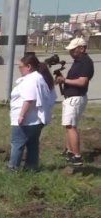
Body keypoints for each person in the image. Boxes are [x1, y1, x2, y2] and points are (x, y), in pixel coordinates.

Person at [7, 54, 56, 171]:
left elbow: (29, 98)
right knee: (32, 144)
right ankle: (31, 167)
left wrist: (21, 115)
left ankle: (12, 168)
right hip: (35, 120)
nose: (19, 70)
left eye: (20, 67)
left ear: (28, 66)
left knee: (17, 144)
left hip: (27, 119)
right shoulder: (38, 77)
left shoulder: (31, 79)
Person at [55, 37, 94, 166]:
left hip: (76, 97)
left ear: (82, 48)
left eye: (73, 50)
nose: (71, 52)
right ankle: (70, 152)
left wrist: (64, 80)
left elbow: (82, 82)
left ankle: (77, 156)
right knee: (69, 126)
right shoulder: (78, 61)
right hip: (71, 97)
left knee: (71, 126)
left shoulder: (85, 62)